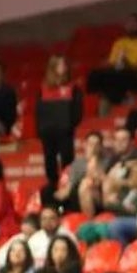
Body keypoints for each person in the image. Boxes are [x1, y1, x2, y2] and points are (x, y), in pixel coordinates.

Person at [87, 14, 137, 108]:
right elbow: (113, 63)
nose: (131, 26)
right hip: (119, 74)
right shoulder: (119, 43)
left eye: (134, 23)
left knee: (124, 76)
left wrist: (129, 66)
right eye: (128, 24)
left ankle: (126, 103)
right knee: (96, 74)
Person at [36, 56, 84, 188]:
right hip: (48, 132)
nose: (64, 67)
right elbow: (39, 111)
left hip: (65, 131)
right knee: (49, 160)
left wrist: (69, 125)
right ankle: (53, 185)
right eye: (61, 65)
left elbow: (78, 111)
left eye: (64, 64)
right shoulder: (43, 89)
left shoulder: (73, 88)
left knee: (67, 160)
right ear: (53, 68)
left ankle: (68, 185)